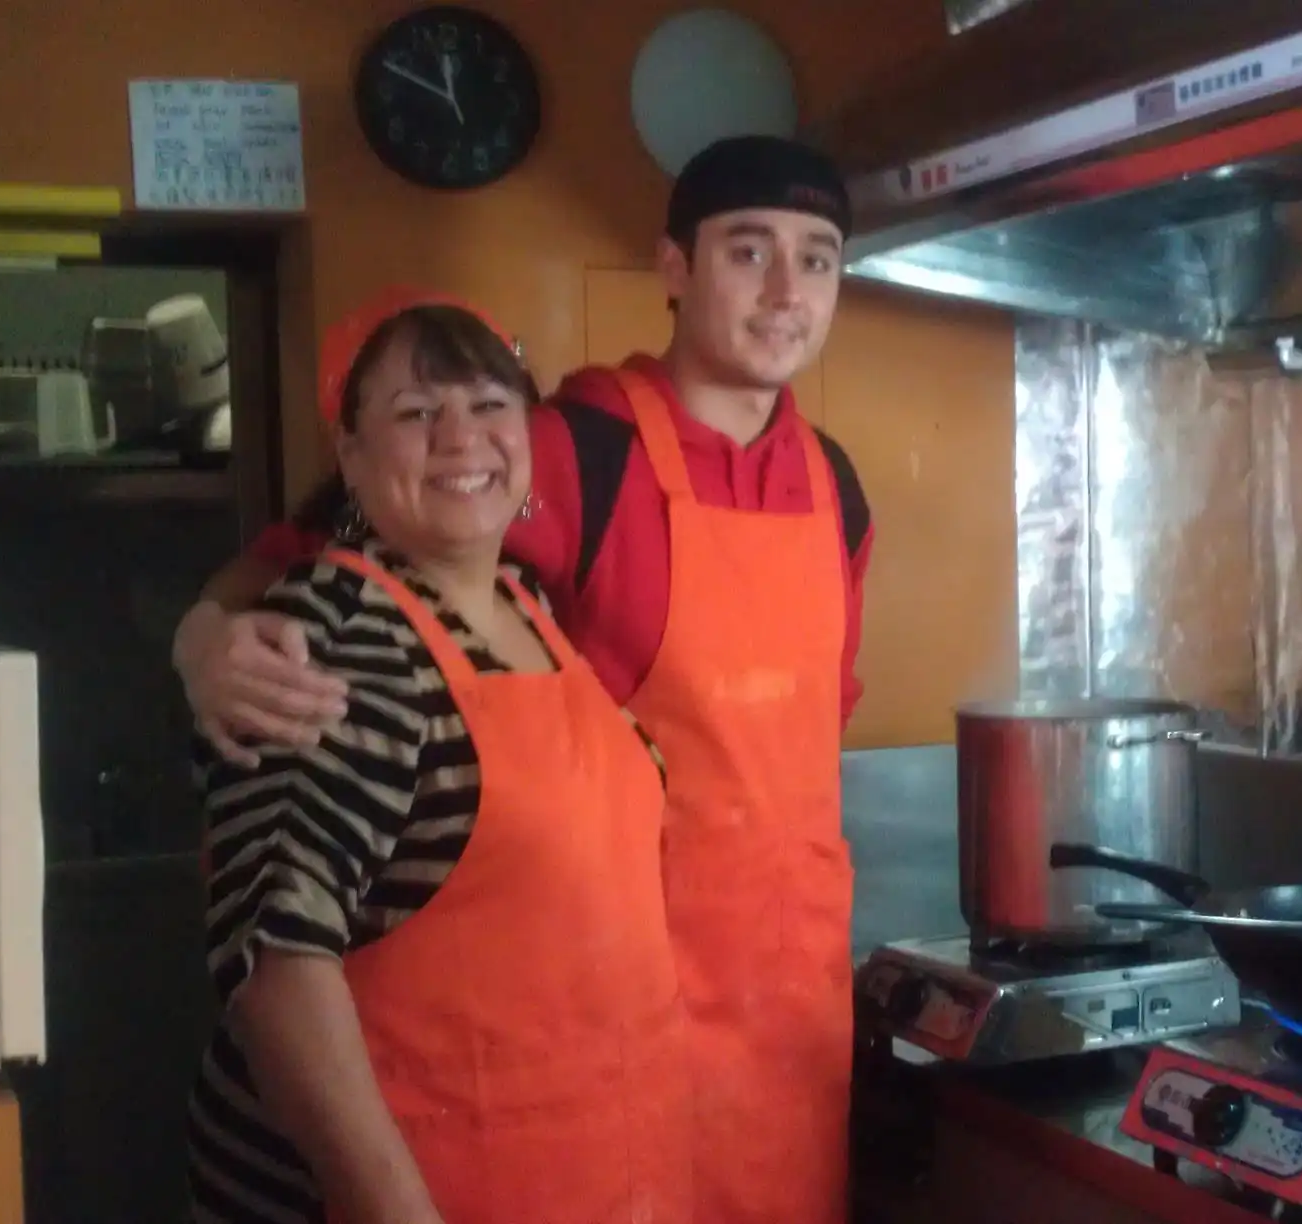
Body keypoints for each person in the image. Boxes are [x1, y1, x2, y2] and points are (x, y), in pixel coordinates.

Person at [175, 135, 869, 1224]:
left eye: (816, 259)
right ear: (674, 267)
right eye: (748, 252)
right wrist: (203, 635)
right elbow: (331, 548)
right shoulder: (573, 447)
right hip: (553, 1037)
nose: (786, 291)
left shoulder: (835, 487)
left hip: (786, 1030)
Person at [185, 300, 689, 1224]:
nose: (461, 437)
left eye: (490, 404)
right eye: (417, 412)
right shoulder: (334, 640)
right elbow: (276, 964)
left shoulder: (528, 605)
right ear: (351, 455)